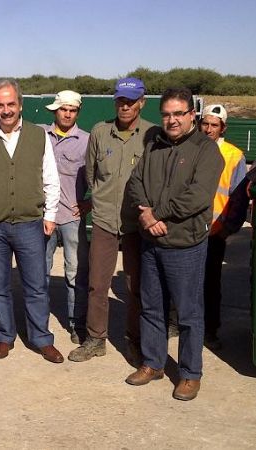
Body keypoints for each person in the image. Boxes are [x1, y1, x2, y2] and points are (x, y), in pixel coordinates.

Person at [124, 87, 224, 401]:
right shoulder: (154, 145)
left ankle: (190, 374)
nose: (172, 120)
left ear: (192, 114)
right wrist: (146, 215)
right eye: (166, 114)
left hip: (185, 244)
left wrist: (158, 212)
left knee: (188, 313)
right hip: (151, 242)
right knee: (152, 307)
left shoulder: (206, 150)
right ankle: (153, 363)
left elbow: (198, 196)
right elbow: (135, 182)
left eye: (179, 114)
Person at [0, 78, 64, 364]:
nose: (6, 110)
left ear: (20, 105)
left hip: (29, 223)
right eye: (0, 105)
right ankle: (4, 336)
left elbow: (50, 177)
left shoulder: (38, 136)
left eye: (11, 104)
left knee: (36, 285)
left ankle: (42, 338)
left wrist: (50, 214)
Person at [68, 77, 154, 364]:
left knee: (135, 285)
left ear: (142, 103)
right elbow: (92, 174)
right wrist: (101, 200)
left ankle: (135, 340)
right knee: (97, 283)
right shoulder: (100, 132)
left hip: (136, 224)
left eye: (131, 101)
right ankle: (96, 339)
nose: (125, 106)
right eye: (120, 101)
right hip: (105, 220)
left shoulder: (152, 134)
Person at [41, 90, 91, 344]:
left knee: (75, 273)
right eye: (63, 109)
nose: (68, 114)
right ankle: (38, 322)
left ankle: (76, 323)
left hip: (72, 217)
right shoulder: (39, 135)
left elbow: (102, 177)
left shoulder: (87, 141)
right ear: (55, 110)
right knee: (40, 273)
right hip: (43, 217)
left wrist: (90, 202)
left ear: (78, 112)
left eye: (72, 110)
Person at [199, 104, 248, 350]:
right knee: (183, 281)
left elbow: (239, 198)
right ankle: (177, 322)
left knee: (210, 283)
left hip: (214, 232)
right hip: (188, 230)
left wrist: (228, 228)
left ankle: (209, 330)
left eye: (214, 125)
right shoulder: (191, 148)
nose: (209, 129)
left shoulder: (234, 156)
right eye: (205, 124)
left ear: (223, 128)